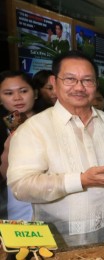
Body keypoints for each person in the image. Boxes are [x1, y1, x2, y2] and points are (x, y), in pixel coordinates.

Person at [7, 50, 104, 248]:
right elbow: (21, 186)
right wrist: (80, 180)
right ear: (54, 82)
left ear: (96, 84)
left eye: (87, 80)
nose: (79, 87)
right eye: (70, 79)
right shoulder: (34, 129)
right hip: (56, 241)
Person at [0, 70, 41, 221]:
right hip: (16, 205)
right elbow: (4, 175)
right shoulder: (4, 128)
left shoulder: (51, 120)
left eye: (23, 91)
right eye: (8, 93)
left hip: (53, 201)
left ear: (35, 93)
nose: (17, 98)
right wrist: (8, 149)